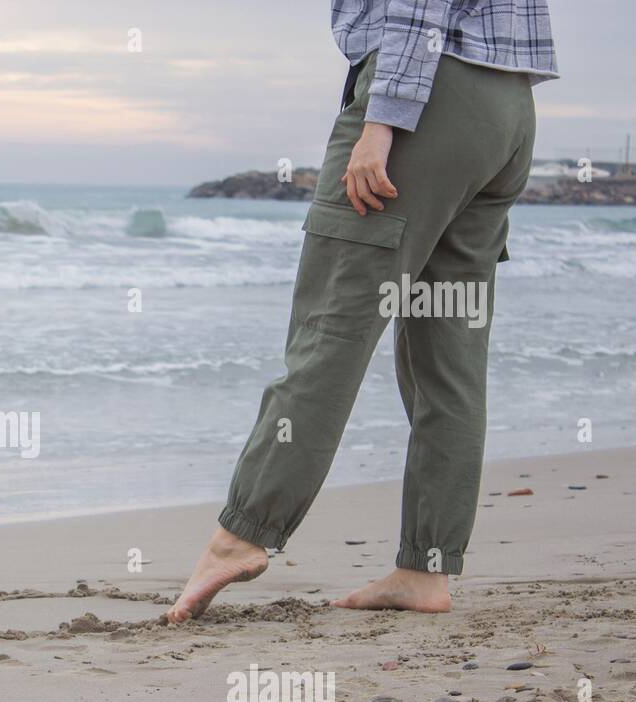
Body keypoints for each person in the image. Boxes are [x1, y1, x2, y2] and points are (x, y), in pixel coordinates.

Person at [168, 0, 559, 622]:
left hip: (424, 97)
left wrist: (383, 119)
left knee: (332, 331)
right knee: (450, 355)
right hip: (508, 111)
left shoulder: (402, 101)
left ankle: (243, 534)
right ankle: (425, 570)